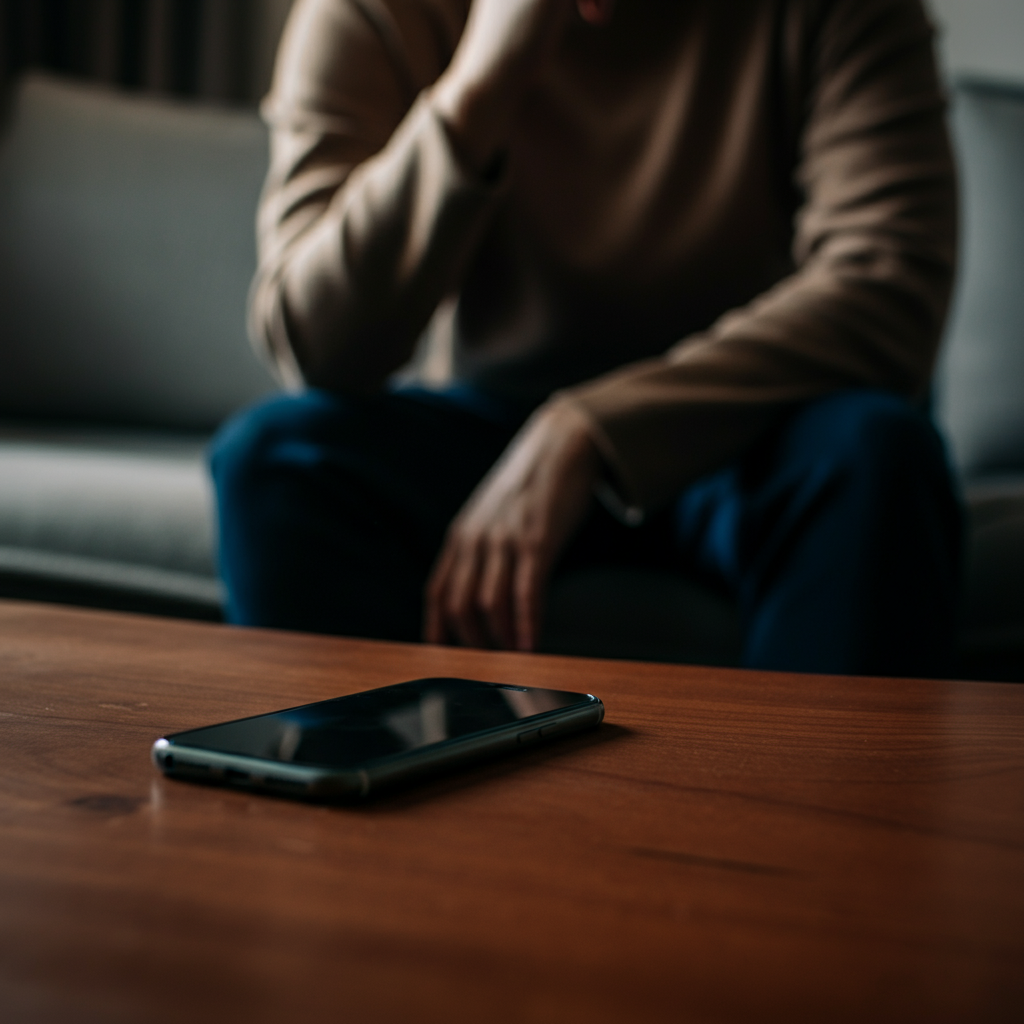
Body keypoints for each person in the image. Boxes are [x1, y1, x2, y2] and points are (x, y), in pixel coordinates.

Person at [211, 0, 962, 676]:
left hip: (746, 428)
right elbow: (318, 344)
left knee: (879, 453)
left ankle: (816, 830)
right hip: (486, 433)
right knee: (276, 460)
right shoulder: (374, 11)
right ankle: (373, 817)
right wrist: (483, 79)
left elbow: (888, 289)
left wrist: (590, 431)